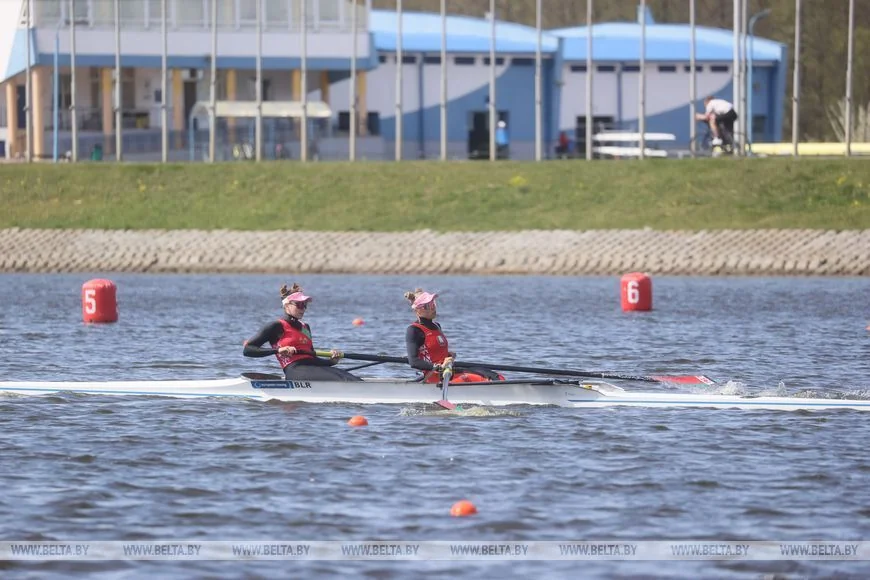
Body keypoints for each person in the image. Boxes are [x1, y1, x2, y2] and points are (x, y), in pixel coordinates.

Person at [243, 284, 362, 382]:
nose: (303, 309)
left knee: (353, 378)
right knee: (343, 378)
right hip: (295, 370)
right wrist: (278, 350)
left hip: (312, 368)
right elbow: (248, 350)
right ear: (286, 305)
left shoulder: (305, 327)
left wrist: (331, 361)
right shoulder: (276, 326)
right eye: (299, 305)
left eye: (304, 305)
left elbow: (311, 357)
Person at [403, 289, 504, 384]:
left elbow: (433, 352)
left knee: (495, 376)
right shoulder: (414, 330)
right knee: (484, 379)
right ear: (418, 311)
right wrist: (438, 366)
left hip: (448, 370)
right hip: (434, 376)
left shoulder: (437, 326)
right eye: (427, 306)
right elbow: (414, 361)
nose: (433, 308)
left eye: (433, 303)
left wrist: (448, 355)